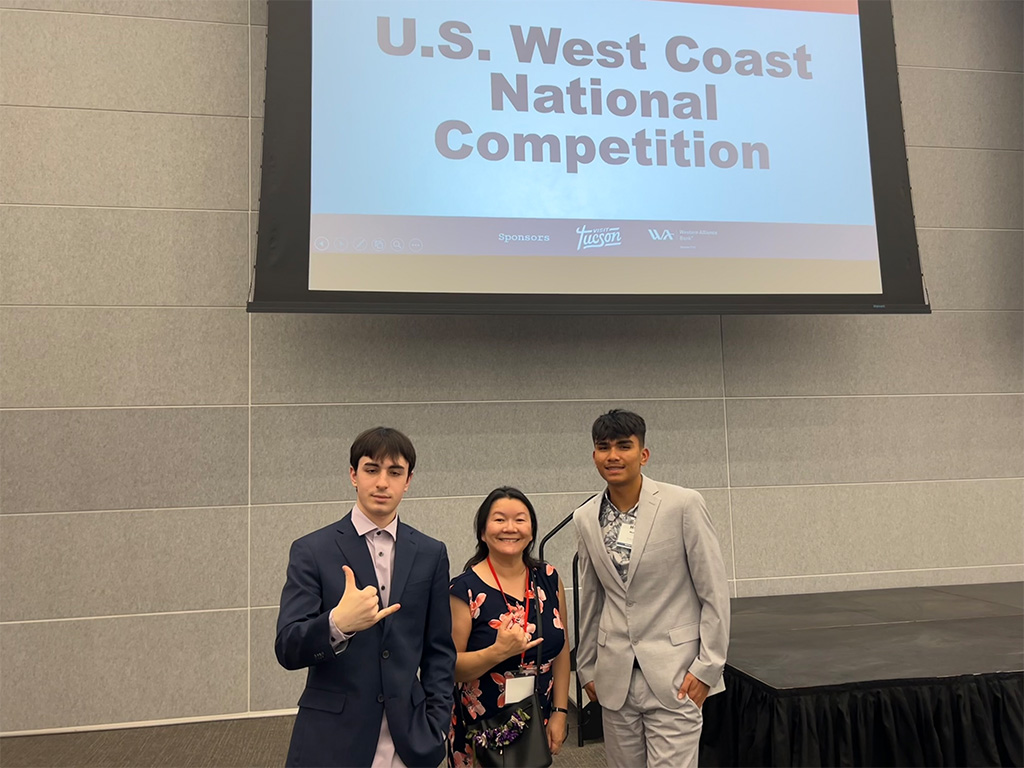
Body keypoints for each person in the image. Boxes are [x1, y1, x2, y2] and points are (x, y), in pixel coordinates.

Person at [275, 427, 456, 768]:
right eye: (371, 469)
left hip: (410, 736)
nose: (382, 482)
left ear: (409, 480)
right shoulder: (313, 550)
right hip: (333, 738)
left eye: (394, 472)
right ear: (353, 475)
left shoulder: (431, 553)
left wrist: (437, 723)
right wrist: (337, 625)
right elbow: (287, 646)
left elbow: (439, 650)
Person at [574, 409, 730, 768]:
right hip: (615, 677)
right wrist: (587, 668)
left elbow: (714, 593)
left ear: (643, 454)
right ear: (595, 455)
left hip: (676, 675)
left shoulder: (683, 504)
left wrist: (707, 668)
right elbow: (592, 597)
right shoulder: (585, 518)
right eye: (603, 447)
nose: (613, 455)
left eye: (623, 446)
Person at [448, 487, 571, 768]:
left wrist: (561, 711)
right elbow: (449, 667)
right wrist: (497, 652)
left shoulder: (549, 579)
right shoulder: (463, 590)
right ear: (483, 531)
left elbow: (561, 649)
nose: (510, 528)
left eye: (520, 519)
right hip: (482, 730)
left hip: (536, 716)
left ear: (531, 530)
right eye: (499, 519)